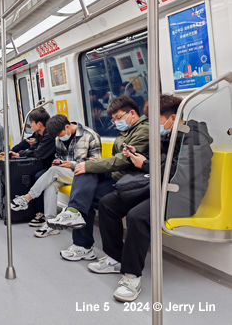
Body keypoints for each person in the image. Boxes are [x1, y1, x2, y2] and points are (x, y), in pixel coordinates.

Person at [88, 94, 213, 302]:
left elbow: (179, 175)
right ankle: (115, 257)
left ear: (173, 118)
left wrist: (145, 164)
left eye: (157, 122)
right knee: (108, 203)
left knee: (138, 216)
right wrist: (138, 155)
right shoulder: (167, 135)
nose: (154, 127)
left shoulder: (195, 139)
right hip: (160, 187)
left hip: (182, 194)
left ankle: (131, 277)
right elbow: (160, 163)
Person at [47, 95, 149, 261]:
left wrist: (91, 165)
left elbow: (124, 160)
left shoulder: (143, 130)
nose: (115, 122)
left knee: (85, 190)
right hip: (118, 176)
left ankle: (83, 242)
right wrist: (92, 164)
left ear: (132, 113)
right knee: (83, 183)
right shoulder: (126, 131)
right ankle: (79, 232)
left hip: (130, 181)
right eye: (114, 119)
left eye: (118, 117)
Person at [11, 115, 101, 237]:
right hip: (65, 173)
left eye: (60, 135)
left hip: (84, 175)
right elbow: (60, 157)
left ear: (67, 127)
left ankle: (27, 198)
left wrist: (71, 164)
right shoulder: (59, 138)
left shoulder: (89, 135)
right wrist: (58, 162)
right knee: (50, 184)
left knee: (53, 171)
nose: (60, 138)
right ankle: (50, 224)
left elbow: (96, 163)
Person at [8, 108, 56, 179]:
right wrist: (13, 151)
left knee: (37, 176)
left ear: (39, 124)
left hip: (52, 165)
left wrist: (20, 154)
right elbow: (31, 148)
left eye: (32, 122)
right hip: (43, 164)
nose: (30, 125)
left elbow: (38, 153)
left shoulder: (49, 135)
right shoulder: (38, 134)